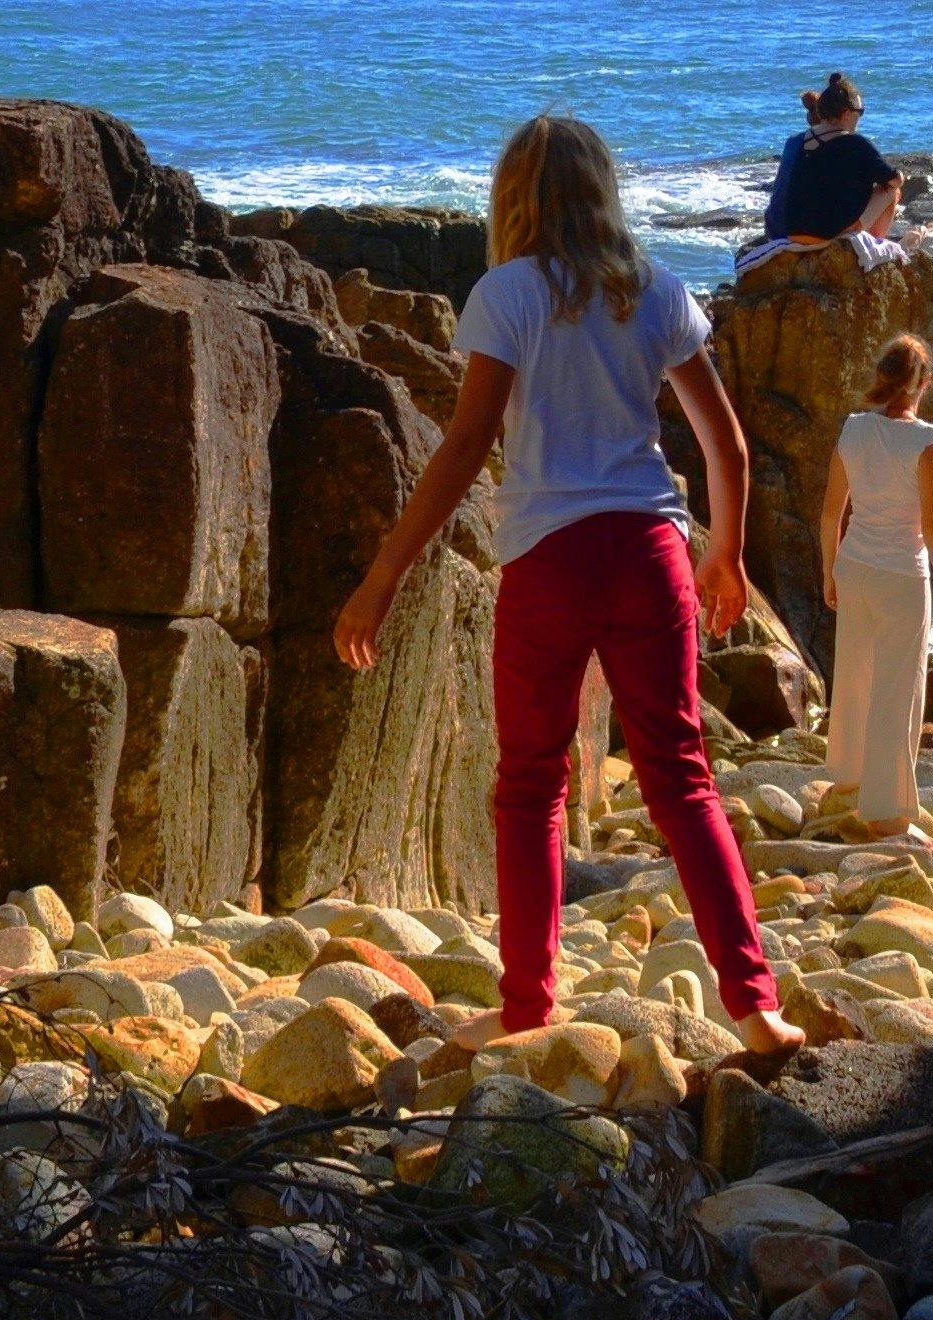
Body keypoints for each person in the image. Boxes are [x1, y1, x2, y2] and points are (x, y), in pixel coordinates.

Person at [330, 112, 798, 1060]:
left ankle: (528, 1003)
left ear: (513, 198)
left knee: (531, 784)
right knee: (683, 779)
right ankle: (755, 1007)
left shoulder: (506, 293)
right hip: (649, 549)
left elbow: (467, 445)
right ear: (603, 193)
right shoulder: (656, 290)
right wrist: (728, 553)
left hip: (548, 558)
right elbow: (726, 444)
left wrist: (382, 577)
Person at [815, 332, 933, 840]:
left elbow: (831, 512)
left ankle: (849, 778)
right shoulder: (928, 440)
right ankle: (887, 810)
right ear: (923, 383)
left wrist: (829, 571)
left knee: (855, 675)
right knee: (898, 690)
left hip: (854, 567)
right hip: (902, 575)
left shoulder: (853, 429)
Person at [758, 73, 906, 249]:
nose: (860, 117)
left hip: (779, 232)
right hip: (822, 235)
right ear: (847, 114)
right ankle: (871, 246)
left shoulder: (793, 142)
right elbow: (894, 180)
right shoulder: (856, 144)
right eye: (860, 111)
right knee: (890, 190)